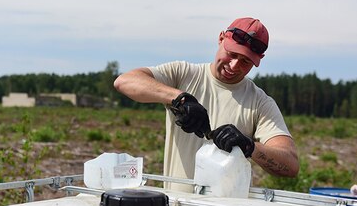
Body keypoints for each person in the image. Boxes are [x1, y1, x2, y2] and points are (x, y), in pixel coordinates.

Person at [114, 17, 299, 192]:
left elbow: (290, 165)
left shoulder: (260, 102)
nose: (234, 65)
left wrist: (248, 146)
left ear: (259, 60)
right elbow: (125, 81)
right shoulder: (183, 74)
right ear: (221, 39)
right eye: (232, 54)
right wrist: (180, 99)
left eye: (245, 61)